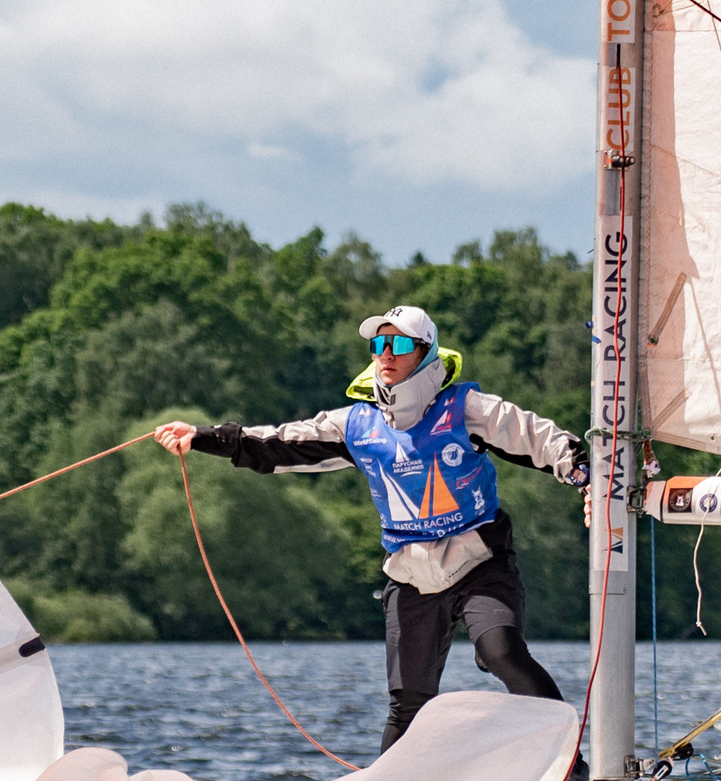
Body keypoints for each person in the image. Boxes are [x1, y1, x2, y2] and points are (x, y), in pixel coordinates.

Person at [153, 305, 587, 753]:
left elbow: (536, 437)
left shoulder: (468, 409)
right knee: (407, 703)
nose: (386, 353)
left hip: (479, 562)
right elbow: (278, 442)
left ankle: (569, 765)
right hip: (411, 575)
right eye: (379, 344)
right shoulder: (357, 424)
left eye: (399, 344)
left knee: (502, 653)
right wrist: (202, 436)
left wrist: (585, 475)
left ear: (426, 352)